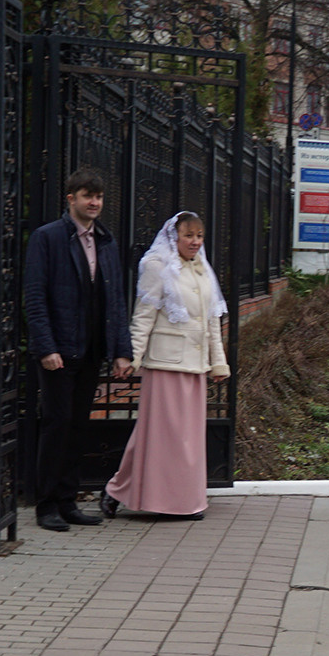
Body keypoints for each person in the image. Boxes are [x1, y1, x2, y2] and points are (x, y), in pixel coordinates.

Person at [24, 169, 134, 531]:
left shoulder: (105, 241)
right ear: (70, 199)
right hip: (59, 351)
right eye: (88, 196)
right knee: (56, 425)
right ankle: (46, 505)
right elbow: (35, 297)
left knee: (77, 427)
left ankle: (68, 501)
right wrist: (46, 347)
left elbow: (115, 300)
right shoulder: (48, 238)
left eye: (98, 197)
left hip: (91, 350)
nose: (94, 202)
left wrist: (121, 351)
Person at [102, 212, 229, 521]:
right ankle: (130, 492)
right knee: (160, 437)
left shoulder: (203, 270)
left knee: (186, 441)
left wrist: (218, 363)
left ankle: (175, 499)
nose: (195, 242)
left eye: (199, 236)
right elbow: (143, 316)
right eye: (189, 235)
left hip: (195, 367)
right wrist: (131, 357)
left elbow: (212, 321)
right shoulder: (157, 266)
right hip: (166, 366)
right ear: (175, 237)